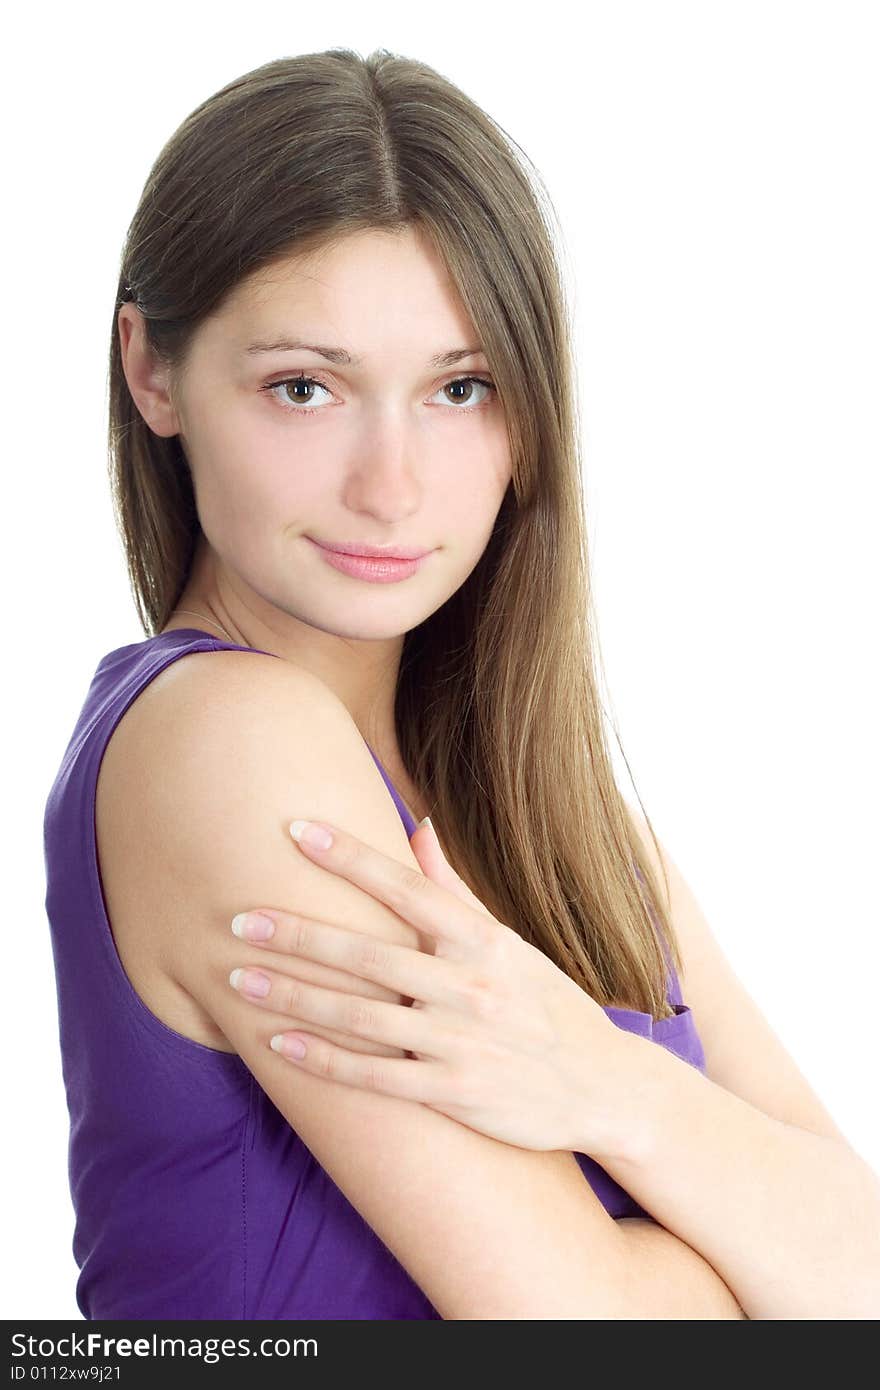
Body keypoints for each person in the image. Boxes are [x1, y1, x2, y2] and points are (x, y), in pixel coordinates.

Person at [44, 50, 867, 1323]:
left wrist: (601, 1077)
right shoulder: (226, 739)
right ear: (153, 372)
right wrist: (745, 1238)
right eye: (304, 386)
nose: (393, 484)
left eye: (459, 388)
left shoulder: (565, 819)